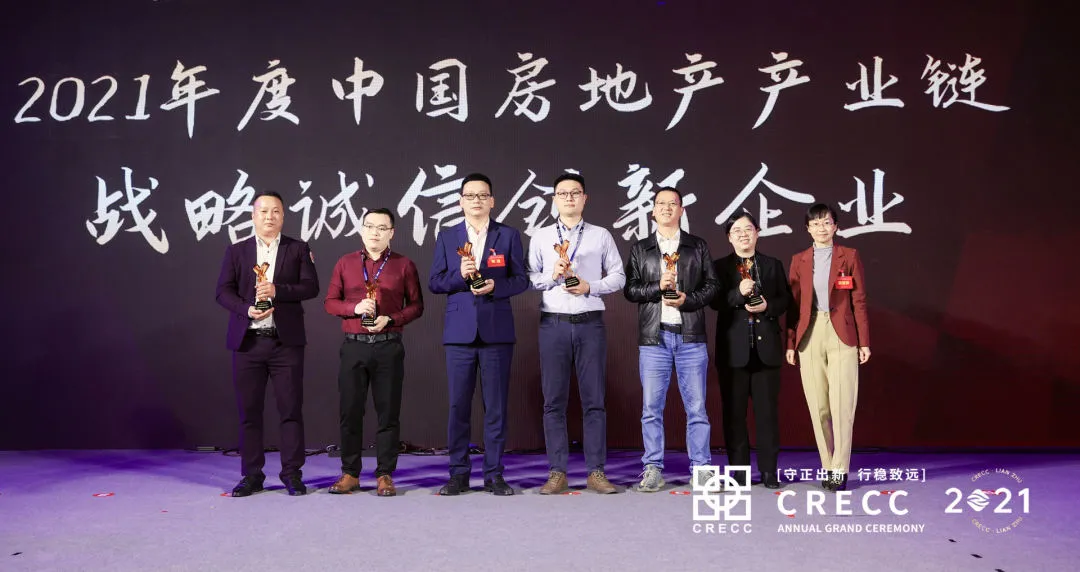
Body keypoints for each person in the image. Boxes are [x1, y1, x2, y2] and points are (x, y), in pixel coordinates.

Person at [428, 173, 529, 496]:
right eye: (470, 195)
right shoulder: (447, 236)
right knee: (458, 407)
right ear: (460, 201)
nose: (476, 200)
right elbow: (435, 282)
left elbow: (521, 280)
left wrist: (496, 285)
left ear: (492, 201)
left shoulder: (508, 235)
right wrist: (459, 276)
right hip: (459, 334)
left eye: (482, 195)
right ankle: (458, 474)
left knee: (495, 408)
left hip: (497, 332)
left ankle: (494, 474)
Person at [214, 190, 320, 497]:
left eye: (275, 211)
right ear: (253, 216)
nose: (269, 216)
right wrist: (246, 309)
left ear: (283, 216)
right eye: (263, 211)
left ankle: (292, 474)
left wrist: (277, 290)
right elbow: (222, 291)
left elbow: (311, 286)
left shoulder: (297, 248)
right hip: (248, 343)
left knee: (291, 410)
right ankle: (252, 475)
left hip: (285, 343)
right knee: (249, 413)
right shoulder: (237, 251)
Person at [526, 173, 625, 495]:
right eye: (563, 193)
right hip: (553, 323)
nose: (569, 198)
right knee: (553, 401)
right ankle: (557, 472)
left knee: (594, 400)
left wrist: (589, 286)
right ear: (554, 199)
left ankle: (596, 471)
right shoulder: (541, 236)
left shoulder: (601, 235)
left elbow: (619, 277)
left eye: (575, 193)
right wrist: (551, 276)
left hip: (589, 322)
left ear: (585, 198)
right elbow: (529, 277)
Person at [623, 187, 719, 492]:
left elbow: (713, 286)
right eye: (661, 204)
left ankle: (701, 469)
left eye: (672, 204)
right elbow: (630, 290)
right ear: (653, 211)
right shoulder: (641, 248)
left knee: (697, 408)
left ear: (681, 210)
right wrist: (656, 286)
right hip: (655, 338)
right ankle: (652, 468)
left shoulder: (697, 246)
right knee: (651, 408)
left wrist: (687, 299)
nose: (666, 208)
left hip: (690, 337)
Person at [323, 208, 424, 497]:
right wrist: (353, 308)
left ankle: (385, 474)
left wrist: (391, 319)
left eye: (382, 228)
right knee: (350, 411)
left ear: (392, 232)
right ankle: (350, 473)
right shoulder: (345, 263)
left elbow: (417, 305)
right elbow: (330, 302)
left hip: (388, 346)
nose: (375, 232)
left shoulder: (404, 265)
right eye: (369, 226)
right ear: (362, 230)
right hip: (354, 345)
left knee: (388, 413)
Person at [785, 203, 871, 492]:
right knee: (818, 407)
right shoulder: (798, 260)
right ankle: (827, 465)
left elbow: (859, 300)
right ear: (807, 229)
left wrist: (864, 341)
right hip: (809, 335)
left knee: (842, 405)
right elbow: (793, 305)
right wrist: (791, 343)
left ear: (835, 226)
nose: (821, 228)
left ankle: (840, 469)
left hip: (842, 335)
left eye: (826, 223)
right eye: (815, 223)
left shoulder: (849, 255)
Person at [711, 212, 790, 489]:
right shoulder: (719, 267)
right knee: (734, 416)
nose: (743, 234)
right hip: (733, 352)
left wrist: (768, 306)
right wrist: (738, 293)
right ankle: (740, 473)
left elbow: (785, 299)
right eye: (737, 230)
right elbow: (715, 301)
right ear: (729, 237)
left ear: (757, 233)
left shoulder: (772, 264)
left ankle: (769, 472)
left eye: (748, 229)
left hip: (766, 351)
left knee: (767, 415)